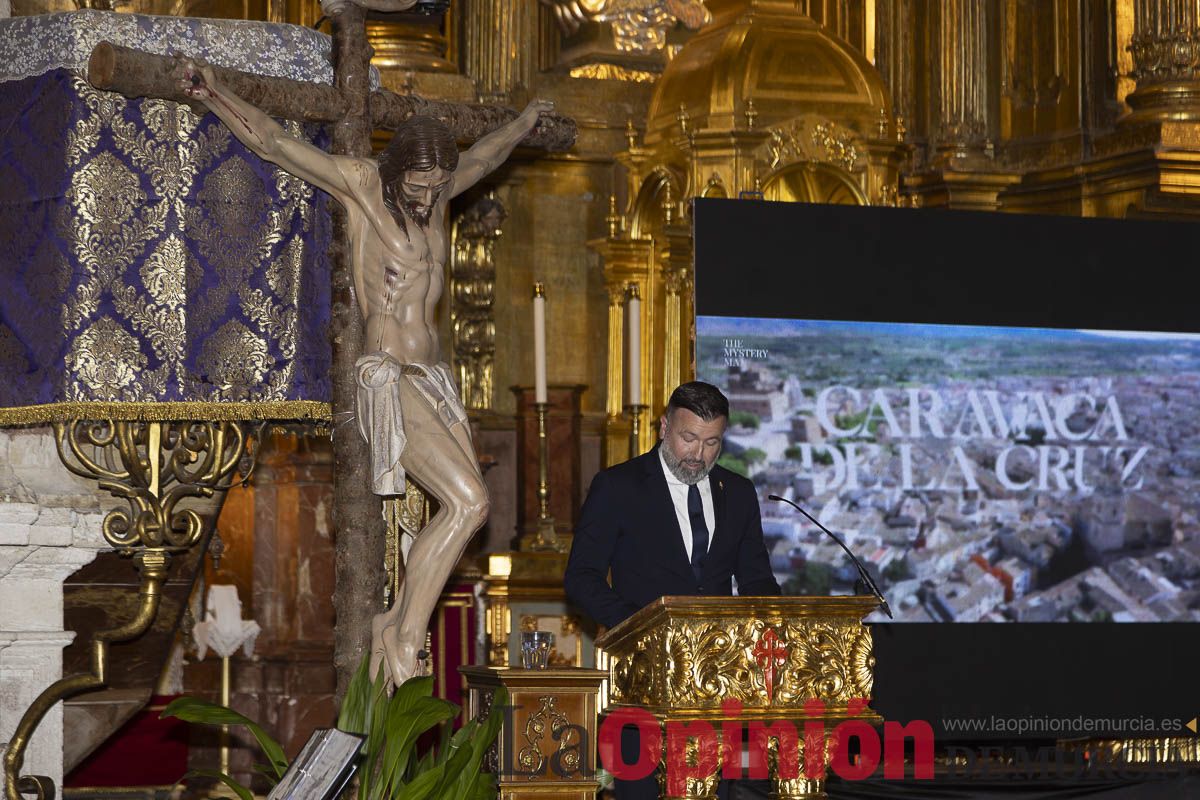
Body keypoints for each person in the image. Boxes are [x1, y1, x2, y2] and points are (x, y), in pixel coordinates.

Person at [175, 56, 553, 688]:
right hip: (388, 375)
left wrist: (522, 122)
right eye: (420, 185)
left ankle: (392, 625)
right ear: (397, 168)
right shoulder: (362, 188)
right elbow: (276, 144)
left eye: (437, 186)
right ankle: (404, 636)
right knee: (469, 501)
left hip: (432, 379)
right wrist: (216, 93)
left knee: (470, 512)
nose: (429, 197)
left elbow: (485, 158)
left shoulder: (440, 197)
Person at [564, 381, 780, 800]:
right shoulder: (618, 487)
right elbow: (581, 576)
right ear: (663, 428)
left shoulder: (738, 493)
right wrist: (640, 626)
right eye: (688, 438)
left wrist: (777, 622)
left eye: (712, 442)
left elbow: (756, 580)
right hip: (644, 683)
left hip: (721, 689)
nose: (698, 455)